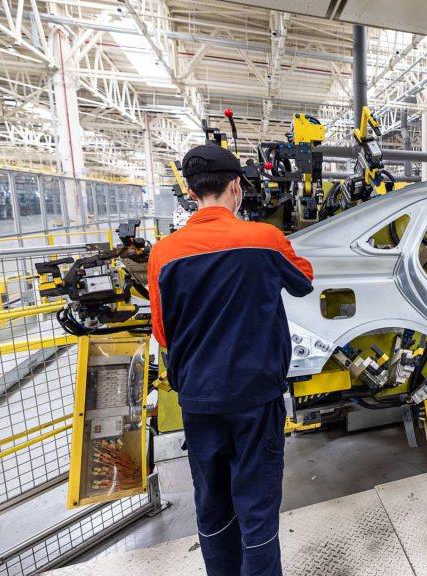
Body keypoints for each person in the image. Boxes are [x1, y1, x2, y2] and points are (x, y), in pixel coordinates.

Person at [148, 145, 314, 575]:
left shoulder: (164, 253)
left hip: (199, 400)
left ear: (190, 191)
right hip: (256, 399)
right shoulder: (264, 239)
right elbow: (303, 281)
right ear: (237, 186)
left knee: (213, 509)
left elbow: (162, 333)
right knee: (257, 509)